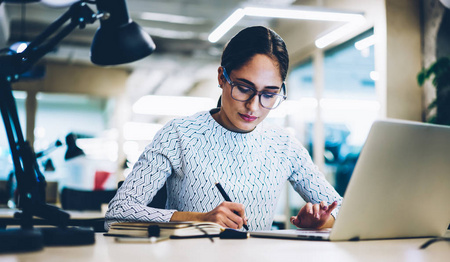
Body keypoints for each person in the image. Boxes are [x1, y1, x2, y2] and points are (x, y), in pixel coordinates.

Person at [105, 26, 342, 231]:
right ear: (222, 77)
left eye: (269, 94)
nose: (253, 106)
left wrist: (324, 221)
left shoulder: (285, 146)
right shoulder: (179, 134)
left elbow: (341, 209)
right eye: (243, 88)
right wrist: (199, 220)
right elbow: (117, 213)